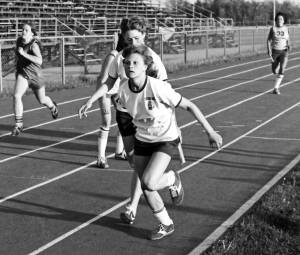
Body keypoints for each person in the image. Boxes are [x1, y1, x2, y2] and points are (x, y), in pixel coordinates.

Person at [117, 44, 223, 240]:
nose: (130, 66)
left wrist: (210, 132)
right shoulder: (123, 92)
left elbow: (189, 105)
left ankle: (172, 178)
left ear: (145, 66)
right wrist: (130, 149)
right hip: (143, 140)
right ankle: (166, 224)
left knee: (149, 181)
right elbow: (124, 123)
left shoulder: (158, 87)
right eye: (126, 62)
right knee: (147, 188)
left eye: (135, 62)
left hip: (165, 139)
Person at [78, 16, 171, 226]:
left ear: (145, 36)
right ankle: (170, 179)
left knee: (140, 164)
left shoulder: (152, 60)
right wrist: (91, 99)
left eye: (137, 39)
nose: (133, 44)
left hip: (145, 116)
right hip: (124, 113)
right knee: (133, 162)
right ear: (123, 39)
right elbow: (109, 81)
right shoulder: (120, 58)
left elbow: (165, 90)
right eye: (129, 40)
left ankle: (132, 208)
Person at [12, 22, 58, 136]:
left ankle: (53, 107)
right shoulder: (19, 41)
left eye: (26, 30)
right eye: (22, 29)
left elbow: (40, 60)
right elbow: (19, 55)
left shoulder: (34, 45)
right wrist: (19, 60)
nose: (23, 32)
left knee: (42, 100)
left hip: (36, 77)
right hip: (23, 74)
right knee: (16, 96)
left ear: (32, 33)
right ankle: (19, 124)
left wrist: (24, 54)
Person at [95, 31, 128, 169]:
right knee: (106, 121)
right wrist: (102, 98)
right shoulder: (113, 56)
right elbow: (103, 80)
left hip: (115, 91)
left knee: (123, 118)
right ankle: (101, 158)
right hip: (106, 92)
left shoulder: (126, 57)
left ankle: (119, 151)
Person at [267, 12, 290, 95]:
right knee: (274, 70)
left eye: (281, 19)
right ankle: (275, 69)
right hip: (275, 52)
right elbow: (269, 40)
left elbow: (288, 38)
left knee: (282, 68)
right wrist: (269, 50)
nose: (279, 20)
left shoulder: (286, 28)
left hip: (284, 51)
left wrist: (289, 45)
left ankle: (276, 88)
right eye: (278, 19)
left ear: (284, 21)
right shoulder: (273, 29)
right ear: (276, 20)